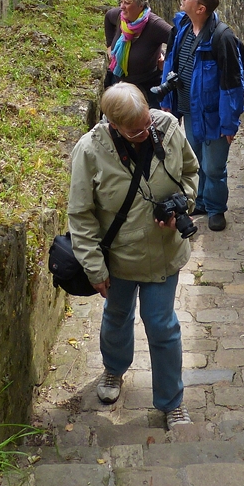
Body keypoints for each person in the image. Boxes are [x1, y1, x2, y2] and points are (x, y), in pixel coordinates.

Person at [68, 84, 199, 428]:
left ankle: (172, 402)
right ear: (113, 124)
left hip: (163, 253)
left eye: (146, 123)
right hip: (118, 259)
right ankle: (113, 371)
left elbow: (190, 172)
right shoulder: (90, 152)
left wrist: (183, 204)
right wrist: (94, 268)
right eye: (135, 130)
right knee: (117, 315)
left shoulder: (167, 129)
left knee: (162, 325)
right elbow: (80, 215)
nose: (145, 133)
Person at [160, 0, 244, 232]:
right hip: (190, 111)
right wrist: (167, 102)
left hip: (215, 117)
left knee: (214, 167)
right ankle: (202, 202)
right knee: (196, 162)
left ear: (201, 9)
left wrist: (230, 124)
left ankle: (217, 209)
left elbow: (232, 85)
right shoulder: (182, 27)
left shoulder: (222, 37)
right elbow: (171, 65)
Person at [104, 0, 173, 107]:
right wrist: (109, 46)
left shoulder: (154, 24)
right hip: (120, 86)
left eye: (127, 3)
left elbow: (179, 40)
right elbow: (108, 17)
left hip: (148, 90)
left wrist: (167, 62)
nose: (122, 7)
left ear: (140, 5)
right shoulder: (121, 17)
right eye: (121, 1)